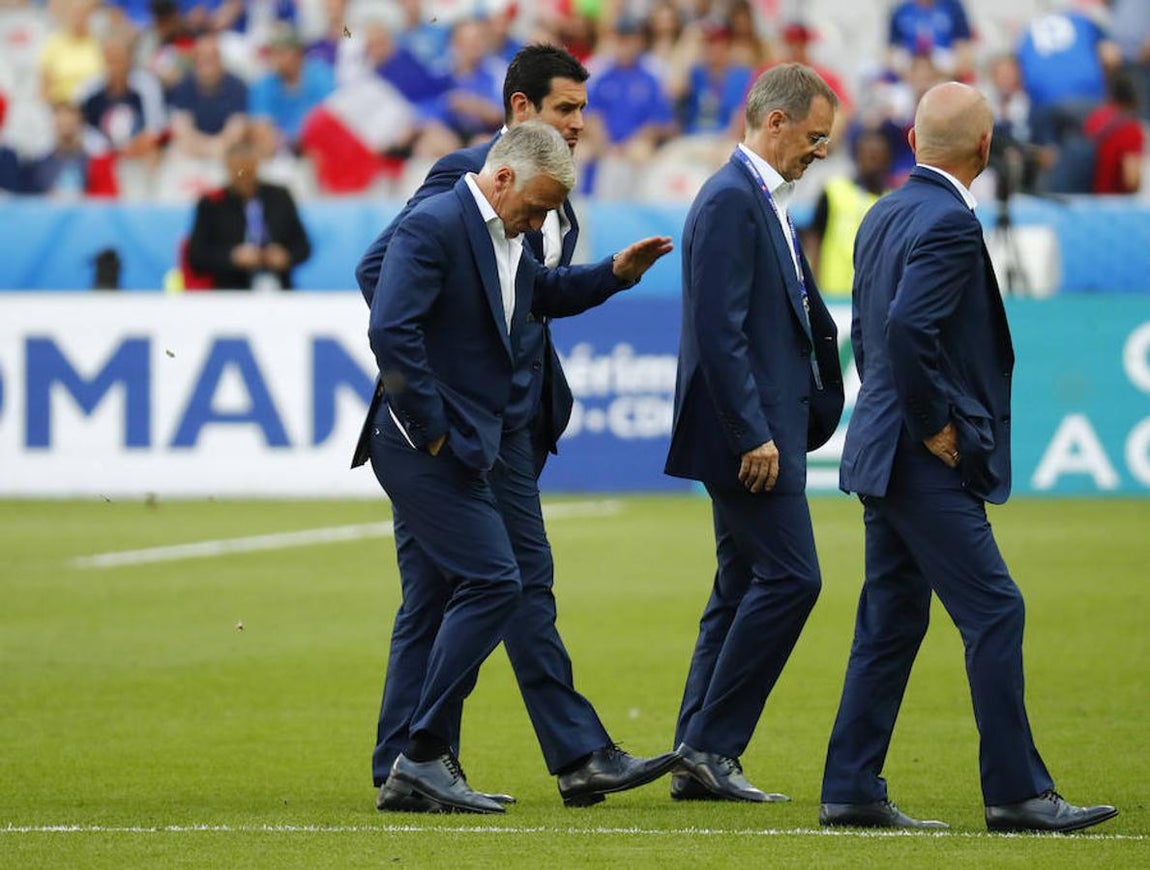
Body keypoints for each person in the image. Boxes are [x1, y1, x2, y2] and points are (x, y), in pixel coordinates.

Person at [355, 44, 680, 813]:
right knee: (494, 586)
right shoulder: (463, 179)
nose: (580, 124)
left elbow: (529, 291)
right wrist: (441, 402)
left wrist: (610, 278)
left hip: (503, 429)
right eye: (566, 108)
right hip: (455, 431)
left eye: (583, 110)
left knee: (472, 590)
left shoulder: (552, 189)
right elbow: (382, 275)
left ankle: (434, 759)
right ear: (522, 109)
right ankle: (450, 757)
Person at [819, 81, 1119, 834]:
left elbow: (869, 329)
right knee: (995, 610)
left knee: (889, 621)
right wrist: (934, 425)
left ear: (915, 142)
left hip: (880, 450)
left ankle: (851, 787)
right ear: (986, 149)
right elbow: (909, 327)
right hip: (920, 458)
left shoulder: (883, 211)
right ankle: (1016, 794)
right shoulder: (949, 223)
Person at [663, 63, 845, 803]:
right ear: (775, 122)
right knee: (794, 578)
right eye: (814, 136)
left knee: (739, 587)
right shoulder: (733, 201)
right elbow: (720, 329)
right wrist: (751, 432)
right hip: (752, 436)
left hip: (767, 424)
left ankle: (692, 757)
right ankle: (711, 746)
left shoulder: (758, 199)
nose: (821, 151)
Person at [186, 139, 311, 289]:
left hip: (278, 288)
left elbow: (303, 246)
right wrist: (232, 257)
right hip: (230, 291)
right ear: (228, 170)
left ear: (257, 167)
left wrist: (286, 256)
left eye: (249, 172)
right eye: (238, 172)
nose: (244, 178)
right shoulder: (212, 203)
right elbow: (196, 256)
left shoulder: (279, 198)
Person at [801, 128, 892, 297]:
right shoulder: (834, 191)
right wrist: (814, 285)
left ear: (887, 160)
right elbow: (814, 239)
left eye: (878, 156)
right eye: (869, 155)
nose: (873, 161)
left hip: (870, 299)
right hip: (832, 295)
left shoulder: (892, 203)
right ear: (858, 156)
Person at [1083, 70, 1143, 194]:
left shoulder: (1094, 118)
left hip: (1086, 199)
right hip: (1113, 205)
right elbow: (1131, 180)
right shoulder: (1131, 129)